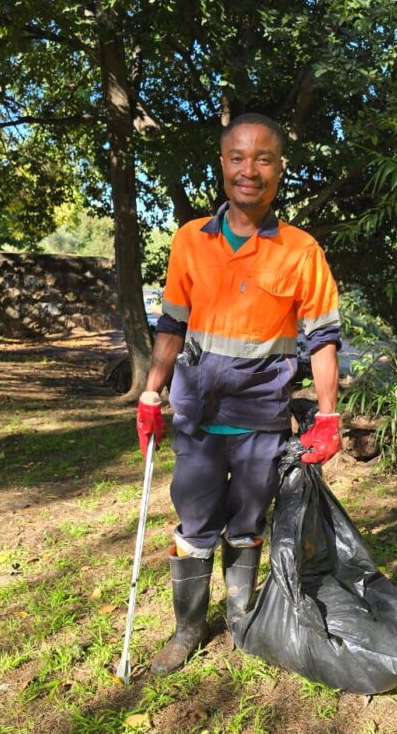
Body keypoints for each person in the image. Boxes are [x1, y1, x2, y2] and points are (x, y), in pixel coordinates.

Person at [136, 113, 342, 676]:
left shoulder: (300, 250)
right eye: (237, 158)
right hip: (198, 415)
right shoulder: (190, 240)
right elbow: (171, 327)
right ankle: (186, 631)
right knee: (196, 522)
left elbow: (323, 337)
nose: (249, 170)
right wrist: (151, 395)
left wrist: (328, 416)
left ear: (279, 170)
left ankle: (243, 617)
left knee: (250, 521)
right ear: (222, 165)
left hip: (263, 417)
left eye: (263, 159)